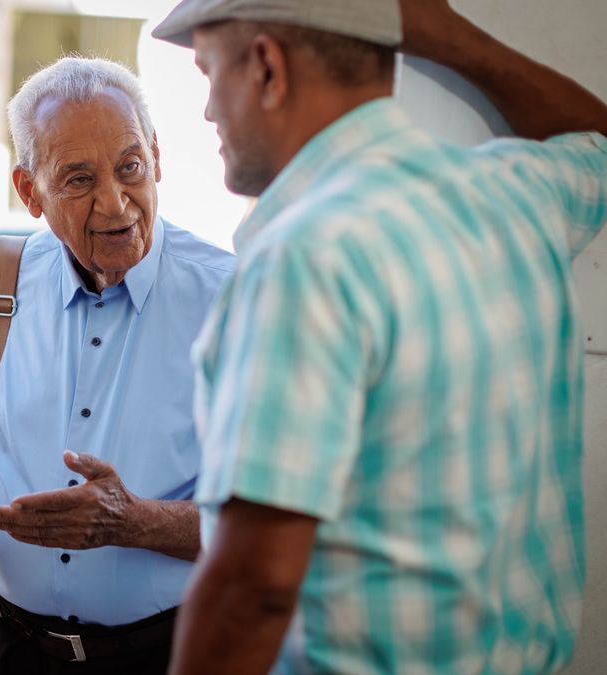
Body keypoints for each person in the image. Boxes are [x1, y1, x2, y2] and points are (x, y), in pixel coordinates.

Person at [150, 0, 607, 672]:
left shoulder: (303, 259)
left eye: (209, 72)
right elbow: (594, 134)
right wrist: (443, 33)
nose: (209, 112)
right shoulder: (518, 194)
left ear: (269, 67)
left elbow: (252, 590)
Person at [0, 57, 235, 675]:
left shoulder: (231, 299)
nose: (115, 203)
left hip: (171, 652)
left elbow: (277, 527)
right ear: (29, 191)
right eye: (78, 179)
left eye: (130, 168)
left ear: (157, 158)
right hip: (8, 649)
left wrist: (134, 522)